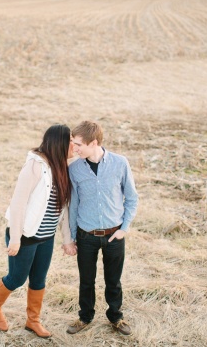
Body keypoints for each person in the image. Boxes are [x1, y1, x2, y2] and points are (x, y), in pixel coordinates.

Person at [0, 124, 76, 338]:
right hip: (26, 235)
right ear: (60, 143)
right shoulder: (35, 166)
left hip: (46, 237)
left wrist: (67, 239)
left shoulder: (64, 168)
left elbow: (64, 209)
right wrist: (16, 237)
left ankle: (33, 321)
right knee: (17, 278)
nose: (74, 145)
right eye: (71, 141)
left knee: (39, 279)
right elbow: (18, 203)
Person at [64, 120, 139, 336]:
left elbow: (132, 199)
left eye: (78, 144)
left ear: (93, 142)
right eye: (73, 143)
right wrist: (69, 238)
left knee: (113, 281)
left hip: (114, 235)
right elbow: (73, 204)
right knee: (86, 280)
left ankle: (116, 317)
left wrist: (124, 228)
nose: (74, 149)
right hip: (86, 235)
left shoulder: (120, 163)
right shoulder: (74, 169)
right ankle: (84, 317)